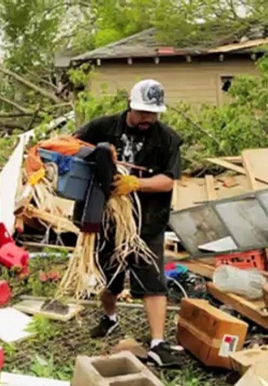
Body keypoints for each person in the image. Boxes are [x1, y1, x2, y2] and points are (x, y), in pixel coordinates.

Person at [74, 79, 183, 368]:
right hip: (106, 217)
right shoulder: (103, 127)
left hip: (147, 221)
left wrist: (136, 183)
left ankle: (159, 343)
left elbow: (168, 180)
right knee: (109, 275)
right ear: (130, 105)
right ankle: (109, 318)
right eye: (142, 112)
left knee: (152, 280)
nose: (147, 118)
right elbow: (73, 147)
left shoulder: (167, 140)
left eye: (153, 113)